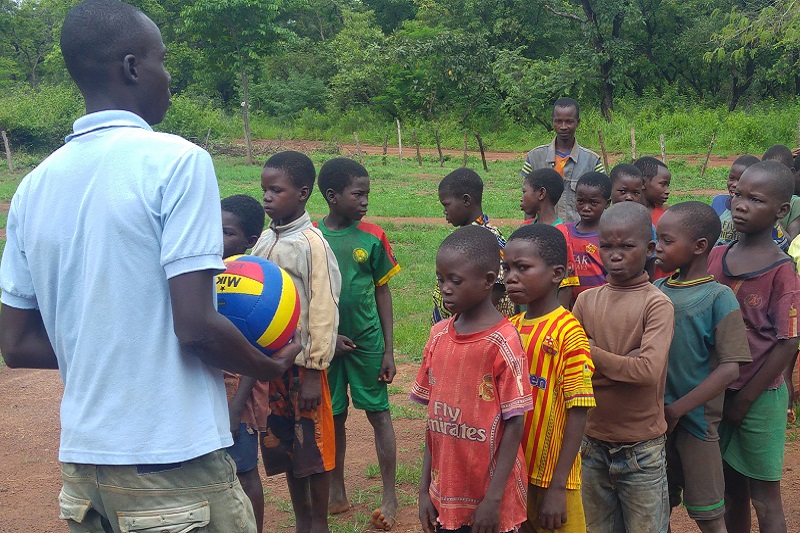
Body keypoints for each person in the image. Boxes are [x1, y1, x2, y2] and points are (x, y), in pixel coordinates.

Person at [0, 2, 300, 532]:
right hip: (172, 463)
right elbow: (197, 328)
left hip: (84, 469)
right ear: (134, 67)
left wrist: (109, 351)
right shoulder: (177, 162)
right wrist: (268, 367)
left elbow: (17, 344)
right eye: (163, 61)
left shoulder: (32, 187)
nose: (168, 77)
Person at [412, 225, 533, 533]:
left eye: (455, 280)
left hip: (491, 500)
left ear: (488, 281)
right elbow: (434, 423)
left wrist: (492, 501)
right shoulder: (438, 337)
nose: (445, 288)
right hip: (445, 496)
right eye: (441, 279)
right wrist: (424, 488)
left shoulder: (504, 343)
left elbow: (515, 424)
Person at [251, 151, 341, 533]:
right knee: (286, 447)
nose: (267, 197)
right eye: (264, 190)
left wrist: (312, 369)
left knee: (313, 450)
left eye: (276, 190)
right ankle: (302, 518)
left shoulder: (311, 244)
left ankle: (317, 521)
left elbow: (323, 308)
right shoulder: (266, 238)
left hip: (302, 370)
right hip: (270, 367)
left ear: (303, 193)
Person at [707, 161, 800, 533]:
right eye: (738, 195)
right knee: (731, 492)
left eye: (755, 199)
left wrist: (744, 400)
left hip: (759, 397)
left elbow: (788, 341)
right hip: (716, 392)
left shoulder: (782, 272)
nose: (740, 204)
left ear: (781, 210)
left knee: (764, 496)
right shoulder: (716, 257)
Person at [572, 202, 674, 533]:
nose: (615, 254)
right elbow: (572, 370)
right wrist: (623, 363)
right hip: (592, 443)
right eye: (607, 246)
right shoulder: (587, 301)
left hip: (641, 449)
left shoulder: (657, 304)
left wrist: (593, 353)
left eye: (627, 246)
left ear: (649, 249)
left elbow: (647, 372)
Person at [653, 202, 751, 533]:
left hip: (696, 424)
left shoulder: (719, 297)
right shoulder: (657, 291)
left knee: (709, 516)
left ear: (698, 247)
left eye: (667, 240)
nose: (657, 247)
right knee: (656, 510)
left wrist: (677, 409)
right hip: (655, 424)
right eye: (657, 239)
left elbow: (730, 369)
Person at [316, 157, 400, 530]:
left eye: (368, 193)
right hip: (324, 341)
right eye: (358, 194)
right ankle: (336, 491)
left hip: (367, 341)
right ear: (332, 196)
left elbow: (383, 291)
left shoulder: (374, 235)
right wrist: (326, 337)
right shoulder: (312, 237)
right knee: (333, 417)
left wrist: (388, 350)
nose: (365, 200)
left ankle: (389, 494)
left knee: (379, 414)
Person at [504, 224, 595, 533]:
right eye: (506, 268)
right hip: (515, 471)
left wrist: (558, 487)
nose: (510, 277)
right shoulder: (511, 328)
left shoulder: (568, 333)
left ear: (557, 273)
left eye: (522, 267)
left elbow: (578, 410)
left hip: (555, 477)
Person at [221, 193, 270, 532]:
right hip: (209, 390)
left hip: (239, 397)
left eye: (227, 232)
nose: (216, 238)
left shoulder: (258, 284)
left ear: (250, 240)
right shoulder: (206, 273)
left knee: (245, 470)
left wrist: (237, 406)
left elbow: (259, 352)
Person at [434, 168, 515, 322]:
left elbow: (496, 288)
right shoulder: (464, 236)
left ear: (466, 200)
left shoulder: (489, 238)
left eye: (446, 205)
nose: (444, 211)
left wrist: (468, 322)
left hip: (478, 328)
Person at [520, 97, 605, 224]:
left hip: (578, 234)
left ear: (578, 122)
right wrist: (528, 231)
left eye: (569, 121)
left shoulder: (592, 161)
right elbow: (529, 204)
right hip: (544, 232)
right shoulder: (534, 157)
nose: (563, 127)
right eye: (558, 121)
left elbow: (601, 201)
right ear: (552, 121)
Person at [711, 155, 789, 251]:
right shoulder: (718, 201)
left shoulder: (764, 218)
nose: (735, 184)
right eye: (732, 178)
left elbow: (782, 247)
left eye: (740, 180)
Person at [565, 172, 611, 308]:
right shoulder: (565, 232)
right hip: (571, 306)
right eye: (580, 201)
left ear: (607, 203)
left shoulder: (609, 236)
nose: (586, 207)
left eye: (593, 203)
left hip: (601, 306)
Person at [610, 164, 660, 279]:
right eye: (623, 192)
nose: (629, 197)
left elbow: (650, 263)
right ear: (610, 190)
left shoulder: (646, 225)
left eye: (635, 193)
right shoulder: (601, 222)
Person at [763, 144, 800, 240]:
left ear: (791, 172)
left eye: (776, 172)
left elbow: (791, 244)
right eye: (765, 172)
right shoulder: (759, 198)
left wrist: (771, 217)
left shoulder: (796, 203)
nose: (770, 178)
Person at [634, 156, 671, 224]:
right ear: (642, 183)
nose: (667, 191)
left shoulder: (668, 214)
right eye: (663, 184)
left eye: (667, 185)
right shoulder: (625, 214)